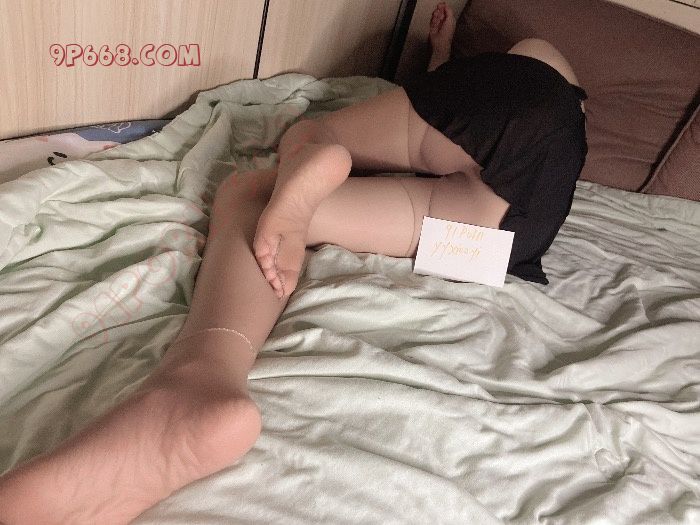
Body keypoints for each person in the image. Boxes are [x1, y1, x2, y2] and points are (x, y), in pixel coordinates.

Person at [0, 3, 587, 523]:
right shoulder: (573, 113)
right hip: (520, 229)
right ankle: (206, 376)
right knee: (320, 212)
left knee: (278, 172)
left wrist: (442, 62)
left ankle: (211, 357)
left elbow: (468, 111)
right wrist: (441, 56)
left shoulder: (531, 60)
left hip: (518, 103)